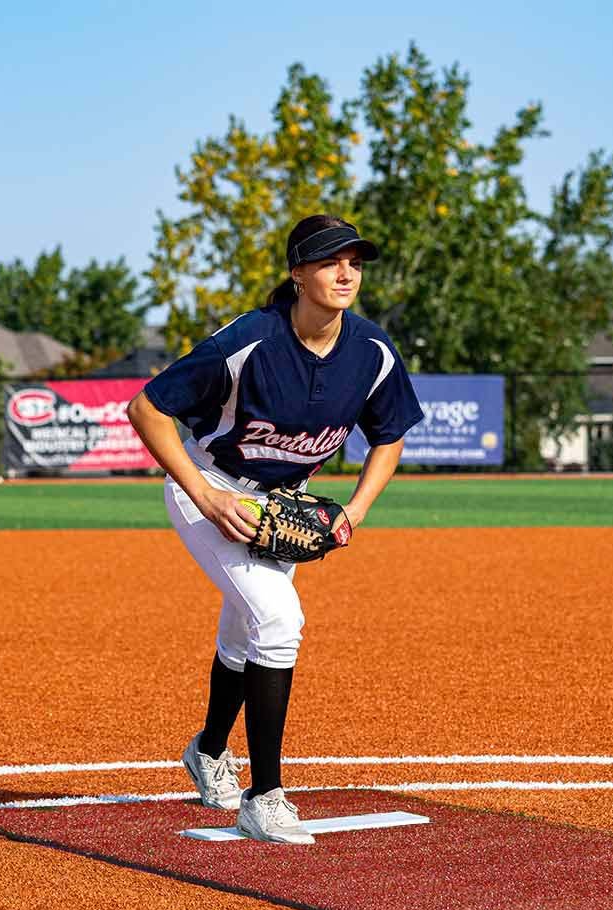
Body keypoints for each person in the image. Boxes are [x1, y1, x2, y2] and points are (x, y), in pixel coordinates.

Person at [127, 215, 422, 844]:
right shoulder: (251, 340)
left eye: (356, 263)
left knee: (245, 633)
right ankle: (264, 797)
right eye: (329, 261)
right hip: (212, 490)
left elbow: (389, 435)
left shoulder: (371, 352)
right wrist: (202, 493)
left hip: (282, 508)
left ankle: (208, 752)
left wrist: (356, 510)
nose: (346, 273)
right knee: (279, 621)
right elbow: (147, 407)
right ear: (296, 274)